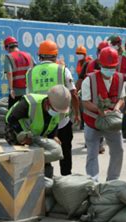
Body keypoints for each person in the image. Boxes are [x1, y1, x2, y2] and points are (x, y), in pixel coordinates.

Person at [26, 40, 80, 177]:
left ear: (39, 56)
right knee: (65, 149)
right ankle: (66, 179)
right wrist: (77, 113)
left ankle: (44, 181)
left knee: (42, 153)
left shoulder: (30, 73)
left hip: (39, 122)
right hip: (61, 120)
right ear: (55, 55)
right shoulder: (62, 70)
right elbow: (73, 94)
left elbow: (28, 98)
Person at [5, 85, 71, 178]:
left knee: (44, 159)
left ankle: (41, 175)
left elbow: (54, 122)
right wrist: (22, 135)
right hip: (15, 131)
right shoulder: (30, 103)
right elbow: (11, 119)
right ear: (48, 102)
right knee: (21, 161)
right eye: (55, 109)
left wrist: (54, 136)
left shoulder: (61, 109)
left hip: (36, 135)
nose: (57, 112)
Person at [81, 47, 126, 182]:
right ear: (100, 65)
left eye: (112, 67)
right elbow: (85, 102)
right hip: (93, 121)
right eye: (106, 67)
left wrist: (117, 108)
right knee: (92, 153)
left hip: (112, 122)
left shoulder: (119, 78)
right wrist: (99, 111)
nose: (110, 70)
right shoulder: (89, 80)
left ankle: (113, 180)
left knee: (118, 151)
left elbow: (121, 98)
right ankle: (93, 181)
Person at [3, 36, 34, 109]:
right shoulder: (28, 55)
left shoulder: (9, 57)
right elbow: (35, 69)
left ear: (7, 47)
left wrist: (11, 89)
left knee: (12, 115)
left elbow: (9, 73)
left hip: (16, 92)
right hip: (29, 92)